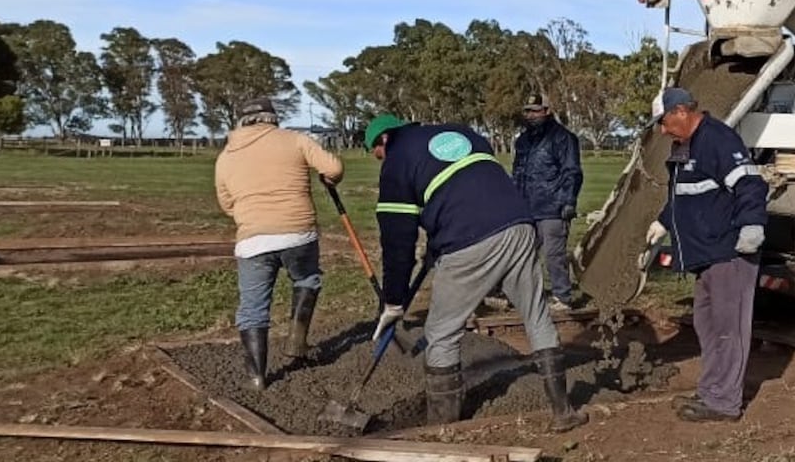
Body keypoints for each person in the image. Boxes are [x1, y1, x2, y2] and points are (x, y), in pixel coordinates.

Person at [364, 113, 588, 432]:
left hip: (468, 240)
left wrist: (393, 301)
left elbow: (397, 241)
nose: (381, 161)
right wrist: (437, 241)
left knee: (441, 333)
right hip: (520, 225)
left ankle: (442, 429)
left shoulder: (397, 160)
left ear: (384, 139)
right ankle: (562, 412)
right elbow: (469, 187)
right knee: (537, 316)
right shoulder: (460, 132)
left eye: (377, 154)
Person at [645, 87, 768, 422]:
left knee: (728, 328)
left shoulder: (717, 139)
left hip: (728, 251)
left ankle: (724, 402)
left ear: (681, 111)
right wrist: (664, 221)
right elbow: (685, 195)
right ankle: (711, 389)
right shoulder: (686, 145)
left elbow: (750, 184)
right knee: (707, 324)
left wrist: (752, 225)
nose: (662, 130)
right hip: (706, 254)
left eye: (664, 122)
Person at [215, 97, 344, 391]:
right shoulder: (295, 140)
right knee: (307, 278)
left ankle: (257, 376)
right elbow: (334, 168)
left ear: (242, 121)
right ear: (272, 118)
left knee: (253, 308)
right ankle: (296, 342)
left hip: (252, 239)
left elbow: (227, 204)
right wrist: (328, 179)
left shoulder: (226, 156)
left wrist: (253, 216)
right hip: (298, 232)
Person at [512, 94, 584, 312]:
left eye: (536, 110)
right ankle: (526, 294)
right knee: (522, 255)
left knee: (554, 255)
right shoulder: (522, 140)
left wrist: (568, 201)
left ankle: (562, 296)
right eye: (528, 110)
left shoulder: (563, 138)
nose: (531, 115)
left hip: (553, 206)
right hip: (525, 207)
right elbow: (517, 173)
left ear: (547, 111)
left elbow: (572, 171)